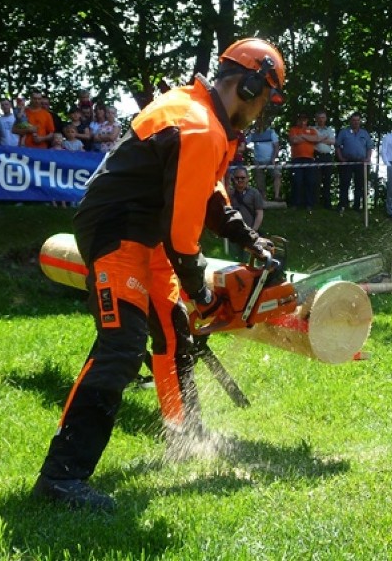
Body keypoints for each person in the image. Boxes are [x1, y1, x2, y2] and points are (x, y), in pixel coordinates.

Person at [32, 38, 286, 511]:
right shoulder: (198, 125)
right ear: (250, 85)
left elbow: (207, 194)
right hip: (116, 231)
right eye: (264, 104)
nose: (260, 117)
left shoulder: (203, 116)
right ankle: (61, 477)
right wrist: (201, 291)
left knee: (175, 332)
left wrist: (249, 239)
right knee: (121, 348)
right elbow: (182, 233)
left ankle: (184, 435)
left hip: (146, 236)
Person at [335, 112, 373, 212]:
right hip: (347, 162)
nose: (356, 122)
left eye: (357, 120)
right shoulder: (344, 132)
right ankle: (343, 205)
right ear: (350, 121)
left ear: (360, 122)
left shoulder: (364, 133)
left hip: (360, 162)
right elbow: (337, 146)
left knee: (359, 185)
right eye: (354, 120)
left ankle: (357, 206)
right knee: (344, 183)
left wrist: (368, 158)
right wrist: (341, 158)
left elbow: (369, 147)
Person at [288, 112, 319, 211]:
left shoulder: (311, 130)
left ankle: (309, 203)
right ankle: (295, 203)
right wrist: (307, 138)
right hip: (297, 159)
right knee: (297, 181)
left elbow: (315, 139)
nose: (303, 122)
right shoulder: (293, 129)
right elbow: (293, 141)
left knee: (310, 181)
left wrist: (303, 136)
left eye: (304, 120)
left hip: (309, 158)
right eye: (301, 119)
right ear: (298, 120)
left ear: (307, 120)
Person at [246, 120, 282, 200]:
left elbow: (276, 146)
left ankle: (276, 196)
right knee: (259, 180)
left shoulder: (271, 132)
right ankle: (262, 198)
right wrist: (251, 150)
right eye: (257, 125)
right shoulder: (253, 134)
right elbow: (244, 144)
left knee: (277, 175)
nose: (258, 126)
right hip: (258, 161)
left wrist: (273, 158)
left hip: (271, 160)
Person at [228, 165, 264, 233]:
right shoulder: (230, 194)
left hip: (250, 232)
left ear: (247, 178)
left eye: (242, 178)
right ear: (233, 179)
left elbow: (259, 213)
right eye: (237, 178)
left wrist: (254, 230)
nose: (240, 180)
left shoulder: (254, 193)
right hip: (234, 233)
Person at [313, 110, 335, 209]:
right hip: (316, 156)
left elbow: (333, 141)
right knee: (316, 180)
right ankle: (315, 202)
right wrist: (324, 139)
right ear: (316, 119)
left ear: (326, 119)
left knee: (327, 180)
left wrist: (319, 139)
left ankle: (327, 203)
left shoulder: (329, 129)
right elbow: (312, 140)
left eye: (323, 118)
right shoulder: (312, 129)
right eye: (319, 117)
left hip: (327, 156)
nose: (321, 120)